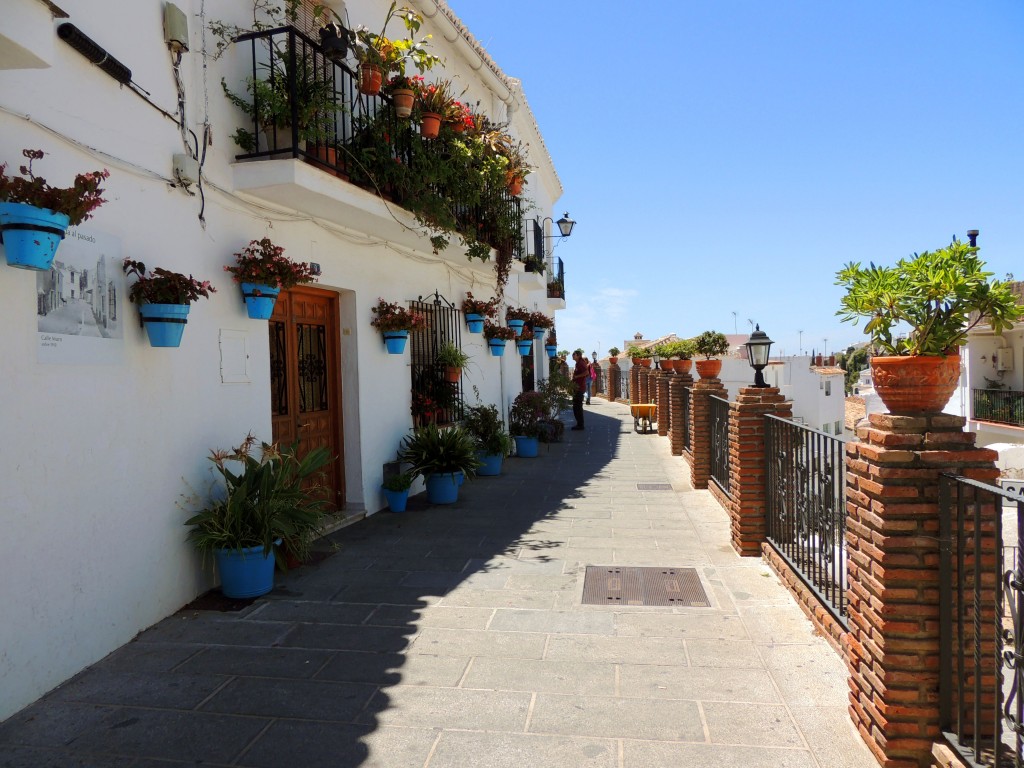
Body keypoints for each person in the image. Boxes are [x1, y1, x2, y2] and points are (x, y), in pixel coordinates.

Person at [571, 350, 587, 430]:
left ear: (578, 355)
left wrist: (577, 377)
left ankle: (580, 425)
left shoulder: (581, 363)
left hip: (580, 388)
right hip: (577, 387)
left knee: (577, 406)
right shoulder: (578, 363)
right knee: (576, 406)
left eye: (574, 354)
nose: (572, 355)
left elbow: (586, 372)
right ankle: (579, 424)